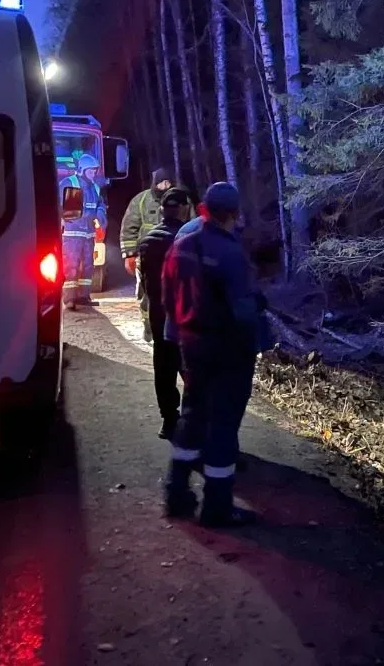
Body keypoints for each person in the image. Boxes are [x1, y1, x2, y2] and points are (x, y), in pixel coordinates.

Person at [161, 181, 268, 526]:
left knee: (191, 415)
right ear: (234, 213)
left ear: (204, 208)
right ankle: (217, 507)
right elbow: (243, 313)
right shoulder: (231, 252)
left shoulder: (181, 244)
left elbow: (167, 297)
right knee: (223, 424)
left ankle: (176, 493)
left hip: (191, 346)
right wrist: (259, 331)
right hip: (227, 351)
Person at [136, 187, 191, 440]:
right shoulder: (188, 239)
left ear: (162, 210)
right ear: (183, 209)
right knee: (190, 366)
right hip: (185, 314)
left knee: (163, 366)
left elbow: (145, 283)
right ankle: (195, 420)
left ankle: (169, 420)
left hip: (159, 312)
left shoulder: (148, 241)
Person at [120, 167, 191, 343]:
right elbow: (129, 228)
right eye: (161, 183)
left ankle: (173, 332)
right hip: (147, 257)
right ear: (154, 183)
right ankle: (149, 326)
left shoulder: (182, 200)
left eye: (167, 183)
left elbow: (193, 227)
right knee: (146, 294)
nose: (164, 186)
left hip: (175, 257)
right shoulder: (141, 201)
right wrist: (129, 255)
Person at [59, 153, 106, 308]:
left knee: (87, 266)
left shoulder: (95, 187)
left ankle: (83, 297)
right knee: (71, 267)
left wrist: (100, 213)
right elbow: (60, 205)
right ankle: (69, 299)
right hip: (72, 234)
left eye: (95, 171)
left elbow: (100, 204)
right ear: (82, 170)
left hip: (88, 234)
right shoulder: (70, 183)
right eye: (91, 171)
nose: (93, 173)